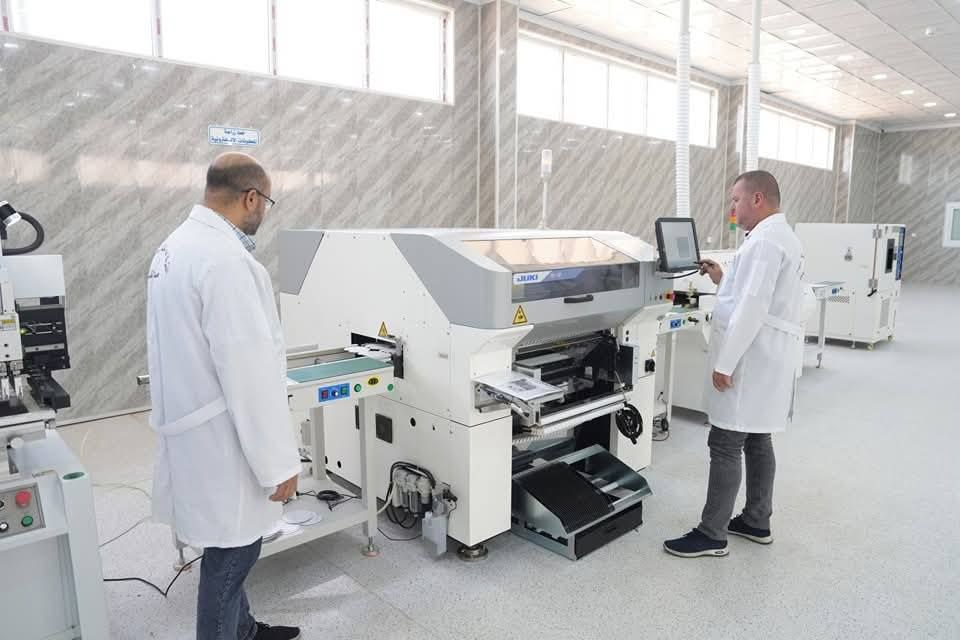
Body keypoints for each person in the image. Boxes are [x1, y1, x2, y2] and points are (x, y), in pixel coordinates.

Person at [146, 152, 302, 639]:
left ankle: (245, 630)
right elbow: (249, 373)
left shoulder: (173, 248)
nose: (263, 213)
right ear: (251, 197)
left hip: (194, 427)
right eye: (266, 203)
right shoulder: (226, 262)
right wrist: (278, 464)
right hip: (222, 437)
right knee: (234, 553)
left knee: (228, 540)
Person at [664, 170, 804, 558]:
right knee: (758, 437)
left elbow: (752, 307)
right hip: (768, 356)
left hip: (750, 357)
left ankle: (712, 534)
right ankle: (757, 520)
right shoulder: (781, 236)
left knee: (725, 442)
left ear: (757, 199)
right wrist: (723, 277)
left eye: (735, 200)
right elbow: (753, 292)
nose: (732, 208)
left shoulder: (765, 242)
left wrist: (725, 364)